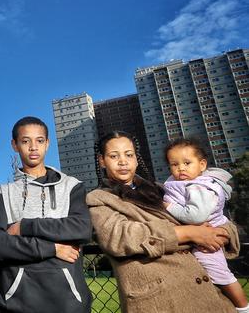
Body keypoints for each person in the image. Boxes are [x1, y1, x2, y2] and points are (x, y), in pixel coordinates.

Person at [87, 131, 241, 312]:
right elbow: (118, 237)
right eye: (114, 156)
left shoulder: (164, 189)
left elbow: (215, 216)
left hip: (207, 291)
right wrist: (190, 233)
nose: (123, 161)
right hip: (161, 300)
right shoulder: (98, 198)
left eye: (129, 154)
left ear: (136, 159)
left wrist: (220, 234)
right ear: (102, 161)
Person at [0, 116, 92, 313]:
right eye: (25, 141)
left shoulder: (71, 186)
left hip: (69, 302)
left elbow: (81, 229)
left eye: (39, 140)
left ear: (47, 143)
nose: (33, 147)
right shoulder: (3, 194)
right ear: (15, 145)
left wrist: (25, 226)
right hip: (18, 302)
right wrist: (52, 248)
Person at [162, 138, 248, 312]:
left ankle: (243, 307)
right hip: (199, 239)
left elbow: (196, 216)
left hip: (208, 241)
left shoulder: (200, 187)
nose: (181, 168)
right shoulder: (181, 183)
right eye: (174, 164)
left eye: (187, 163)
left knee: (221, 275)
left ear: (202, 165)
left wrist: (169, 206)